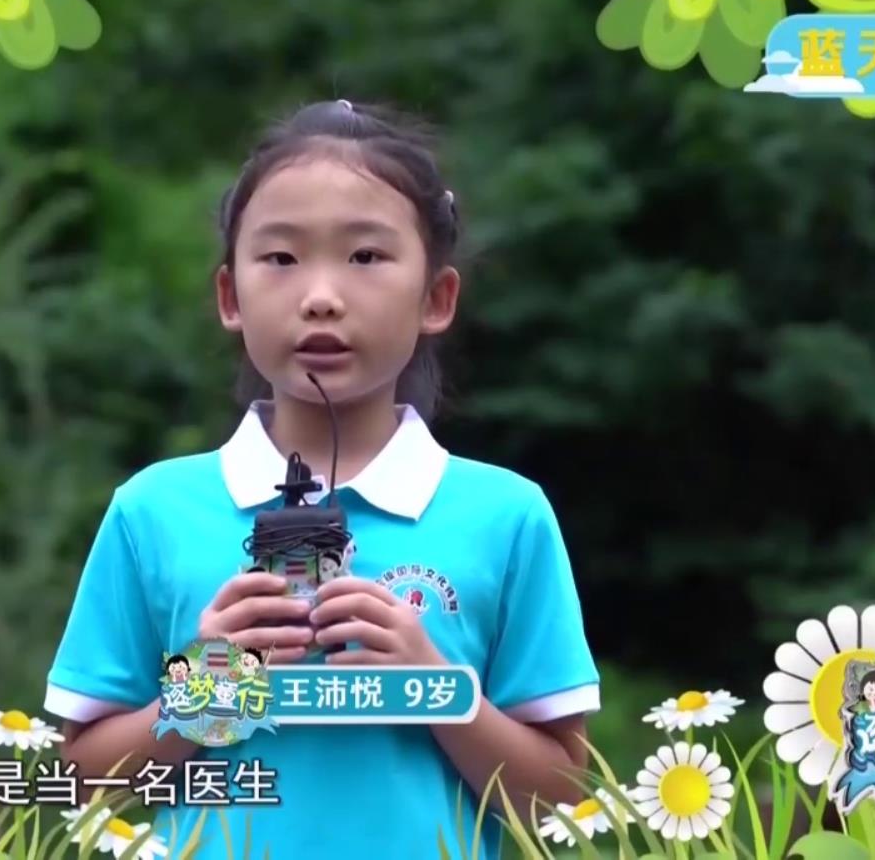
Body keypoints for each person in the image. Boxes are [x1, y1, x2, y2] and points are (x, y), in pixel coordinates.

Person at [44, 99, 599, 858]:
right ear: (230, 298)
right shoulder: (153, 511)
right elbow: (78, 785)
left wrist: (436, 687)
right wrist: (210, 689)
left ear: (436, 298)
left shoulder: (506, 515)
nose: (321, 296)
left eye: (366, 257)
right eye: (281, 258)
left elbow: (565, 802)